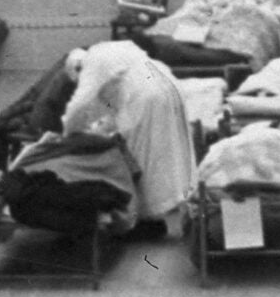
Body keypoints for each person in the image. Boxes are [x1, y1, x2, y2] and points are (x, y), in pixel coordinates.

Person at [61, 40, 198, 223]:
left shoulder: (93, 60)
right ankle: (180, 203)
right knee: (174, 150)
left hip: (147, 98)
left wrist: (67, 135)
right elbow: (110, 111)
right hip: (170, 89)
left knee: (141, 156)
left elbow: (79, 105)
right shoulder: (115, 54)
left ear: (78, 68)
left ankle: (148, 215)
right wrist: (97, 128)